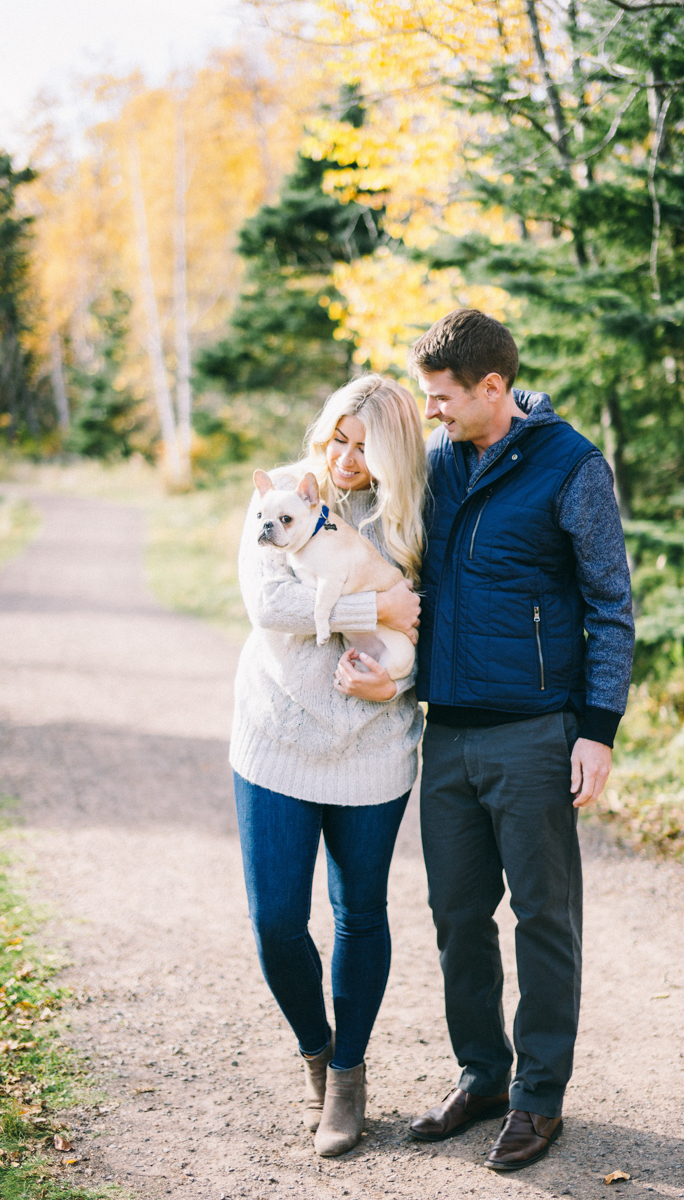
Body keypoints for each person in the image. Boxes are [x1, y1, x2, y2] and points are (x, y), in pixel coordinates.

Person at [407, 310, 635, 1172]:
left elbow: (611, 603)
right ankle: (484, 1076)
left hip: (538, 733)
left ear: (493, 389)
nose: (432, 410)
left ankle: (539, 1099)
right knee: (457, 916)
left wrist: (597, 730)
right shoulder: (436, 464)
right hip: (449, 735)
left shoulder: (571, 466)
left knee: (544, 917)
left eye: (443, 397)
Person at [230, 374, 425, 1157]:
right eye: (338, 438)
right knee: (277, 921)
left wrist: (400, 675)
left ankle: (347, 1076)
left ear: (391, 451)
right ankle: (315, 1049)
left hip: (374, 747)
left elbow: (431, 622)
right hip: (277, 736)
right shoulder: (278, 496)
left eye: (364, 445)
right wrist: (371, 609)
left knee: (361, 915)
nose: (346, 458)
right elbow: (268, 607)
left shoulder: (413, 519)